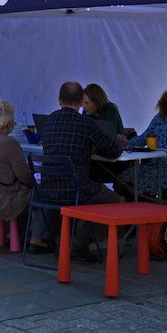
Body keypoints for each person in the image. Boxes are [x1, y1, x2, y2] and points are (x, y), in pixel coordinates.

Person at [38, 81, 124, 262]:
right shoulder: (86, 124)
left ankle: (62, 240)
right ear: (80, 102)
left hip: (47, 188)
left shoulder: (48, 121)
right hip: (77, 189)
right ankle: (80, 242)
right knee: (115, 201)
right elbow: (112, 151)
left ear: (59, 100)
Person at [119, 85, 167, 200]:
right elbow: (144, 138)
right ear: (166, 103)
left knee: (139, 184)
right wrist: (127, 142)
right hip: (152, 165)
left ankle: (150, 209)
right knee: (121, 180)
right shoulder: (160, 118)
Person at [0, 98, 34, 227]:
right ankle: (35, 237)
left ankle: (12, 234)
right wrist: (35, 183)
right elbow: (24, 176)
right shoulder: (9, 143)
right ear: (8, 121)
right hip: (3, 200)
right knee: (36, 194)